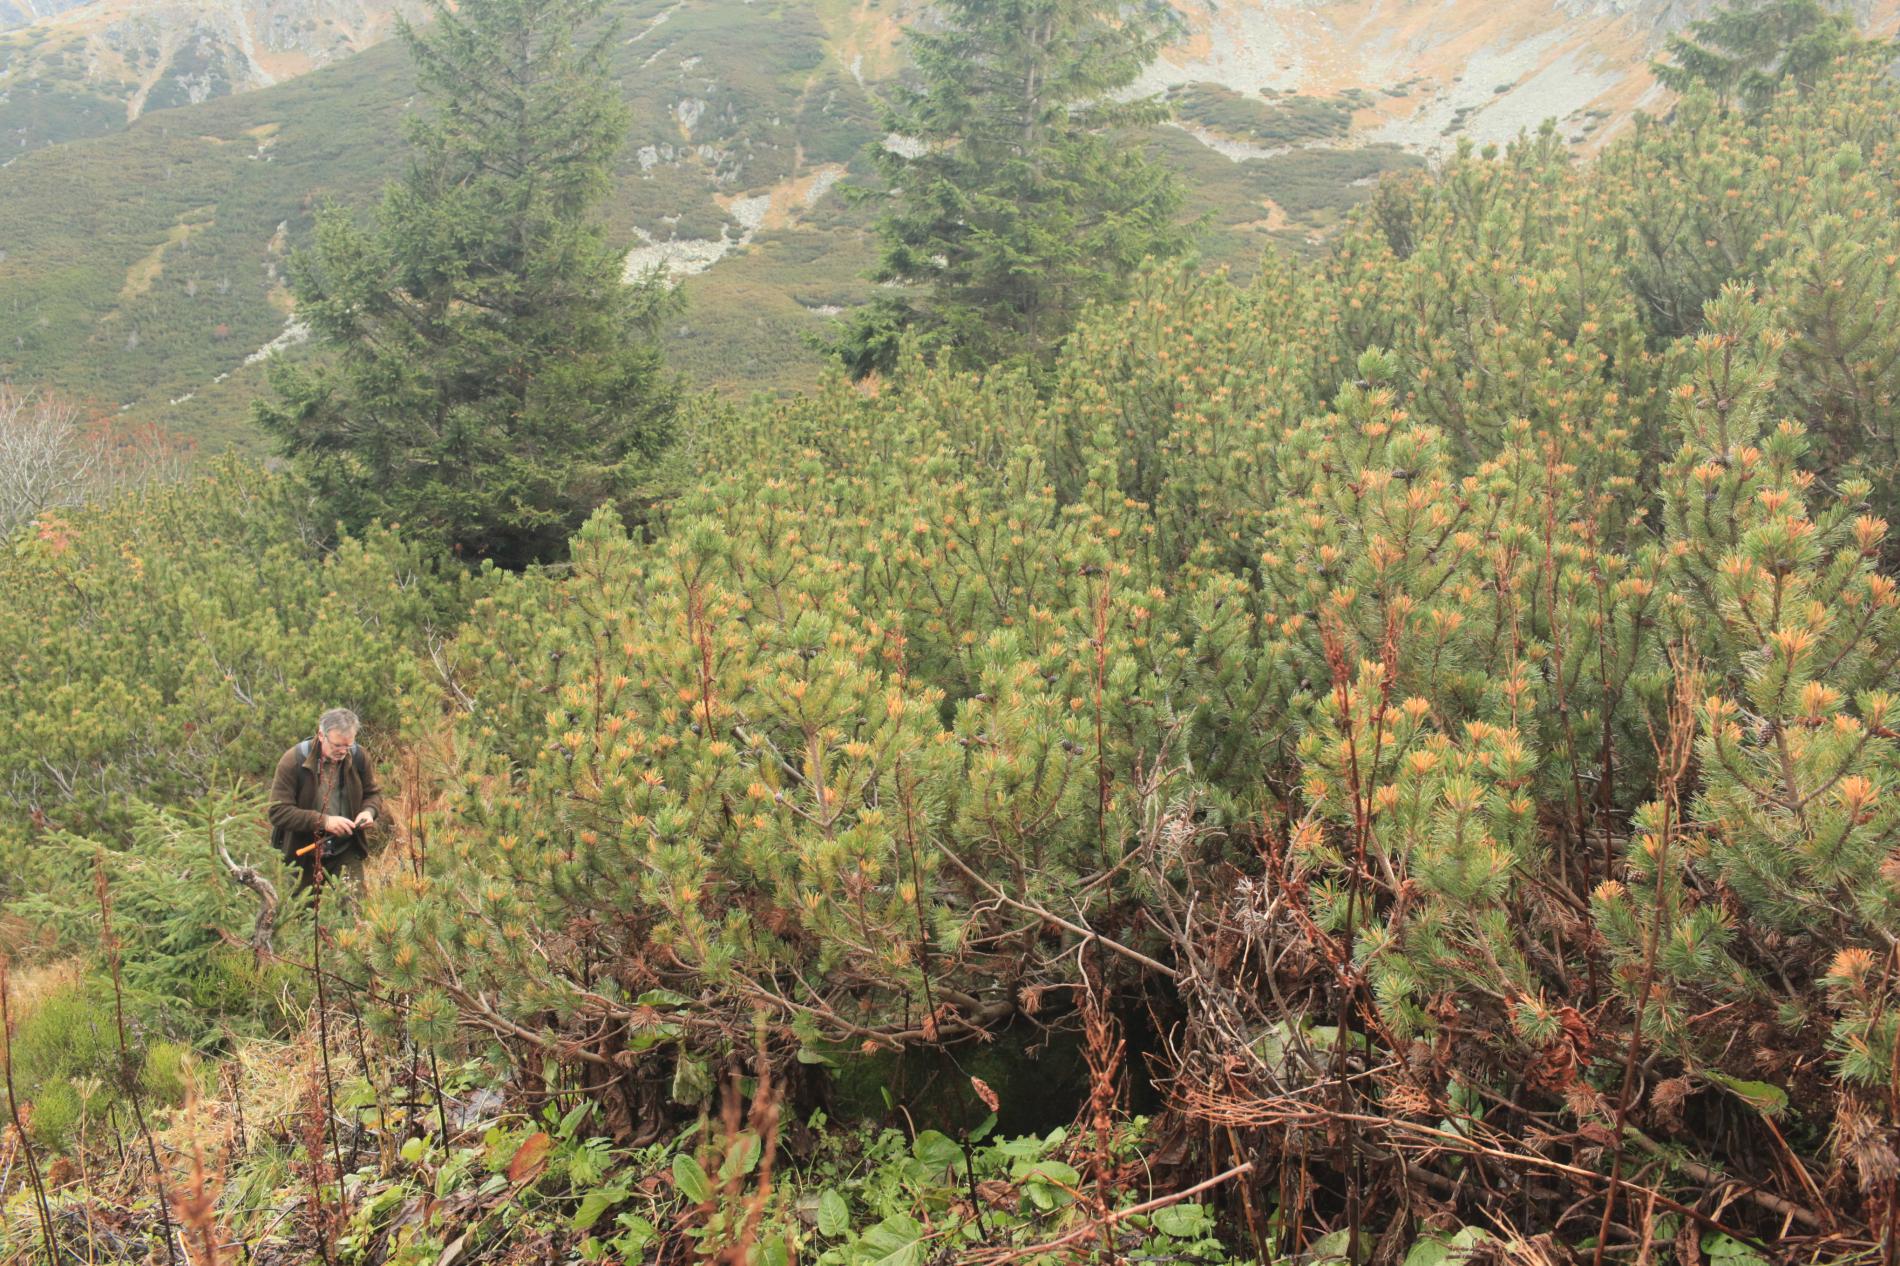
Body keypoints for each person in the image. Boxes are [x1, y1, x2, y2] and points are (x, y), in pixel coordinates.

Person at [268, 707, 384, 899]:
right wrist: (325, 821)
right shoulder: (293, 761)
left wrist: (369, 811)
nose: (343, 751)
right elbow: (278, 811)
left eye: (348, 745)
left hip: (345, 848)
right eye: (337, 745)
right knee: (300, 912)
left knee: (354, 907)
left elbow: (372, 794)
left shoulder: (358, 757)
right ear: (321, 735)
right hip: (303, 852)